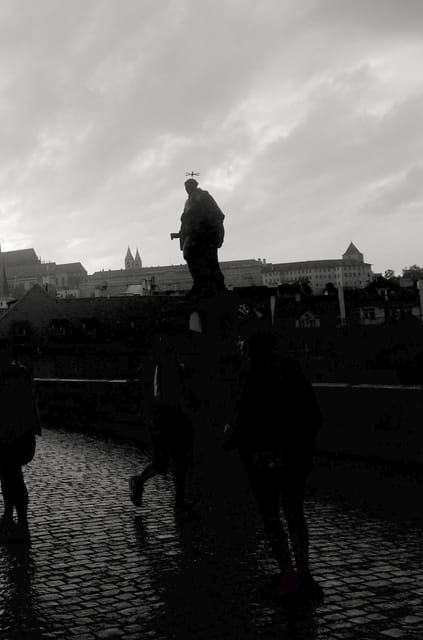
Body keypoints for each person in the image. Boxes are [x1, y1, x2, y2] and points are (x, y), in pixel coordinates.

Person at [230, 331, 323, 601]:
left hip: (263, 459)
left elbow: (245, 421)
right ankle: (303, 574)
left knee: (272, 517)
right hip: (295, 457)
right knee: (295, 514)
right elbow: (314, 417)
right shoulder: (294, 376)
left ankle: (287, 573)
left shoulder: (252, 379)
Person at [0, 342, 40, 544]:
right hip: (6, 438)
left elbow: (17, 411)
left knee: (14, 480)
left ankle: (20, 523)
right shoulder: (7, 376)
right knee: (8, 479)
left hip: (12, 438)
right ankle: (10, 519)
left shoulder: (14, 377)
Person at [129, 331, 197, 519]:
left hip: (167, 417)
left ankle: (179, 501)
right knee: (166, 463)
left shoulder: (161, 365)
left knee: (176, 462)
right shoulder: (169, 366)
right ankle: (141, 482)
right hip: (167, 416)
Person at [174, 178, 226, 299]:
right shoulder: (188, 202)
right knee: (189, 254)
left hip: (206, 233)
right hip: (193, 235)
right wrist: (180, 233)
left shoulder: (204, 196)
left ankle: (215, 286)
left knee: (210, 260)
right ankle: (199, 283)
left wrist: (215, 231)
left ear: (194, 186)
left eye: (189, 187)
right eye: (186, 188)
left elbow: (217, 214)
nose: (187, 190)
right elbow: (185, 219)